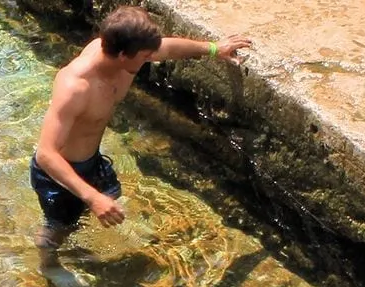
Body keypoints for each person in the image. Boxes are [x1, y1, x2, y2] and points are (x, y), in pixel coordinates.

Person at [31, 6, 250, 252]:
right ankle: (49, 265)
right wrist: (92, 197)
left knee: (110, 201)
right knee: (60, 227)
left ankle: (92, 227)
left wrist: (213, 48)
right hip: (59, 173)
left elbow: (167, 48)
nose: (151, 57)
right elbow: (46, 154)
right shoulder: (75, 87)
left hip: (91, 161)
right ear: (124, 54)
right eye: (146, 55)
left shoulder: (123, 56)